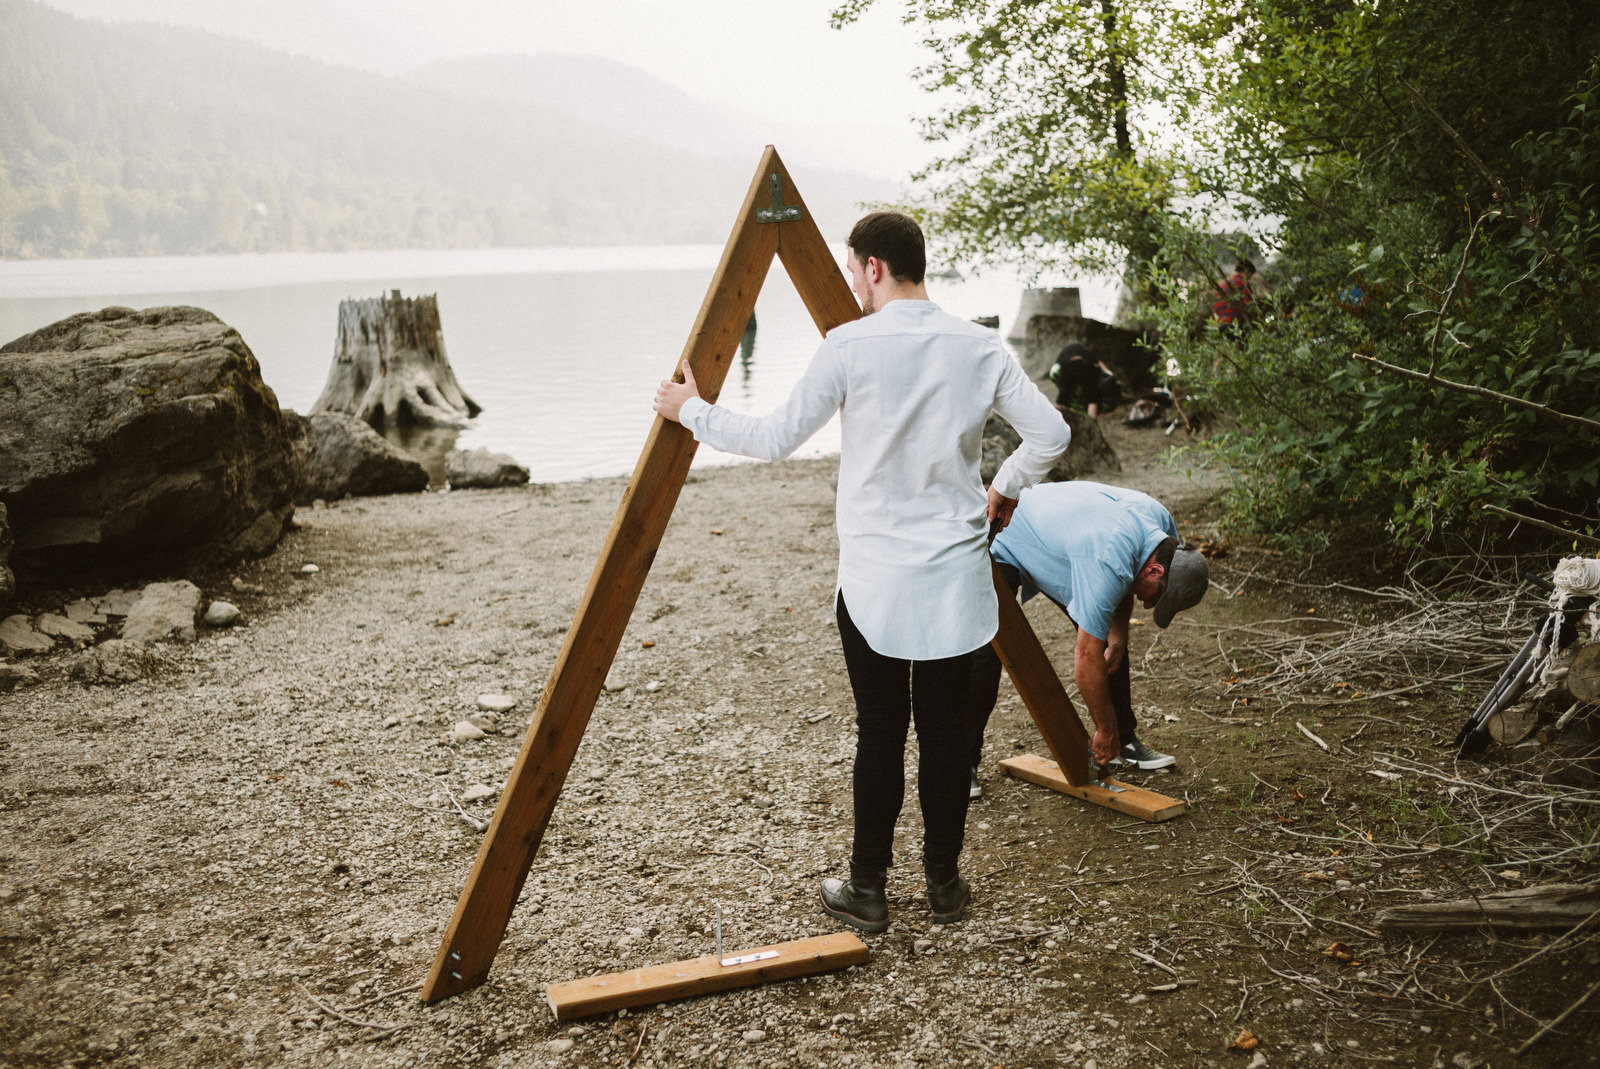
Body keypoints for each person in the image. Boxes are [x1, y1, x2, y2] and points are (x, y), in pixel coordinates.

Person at [653, 211, 1071, 934]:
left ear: (874, 266)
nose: (853, 285)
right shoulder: (978, 346)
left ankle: (868, 889)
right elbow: (1053, 433)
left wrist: (692, 410)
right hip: (956, 581)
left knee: (881, 731)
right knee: (945, 737)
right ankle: (944, 886)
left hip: (876, 581)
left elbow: (776, 438)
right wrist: (999, 488)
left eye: (853, 271)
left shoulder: (848, 346)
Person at [966, 481, 1209, 796]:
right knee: (988, 648)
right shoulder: (1107, 556)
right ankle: (963, 761)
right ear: (1156, 571)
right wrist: (1102, 729)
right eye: (1156, 599)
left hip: (1067, 544)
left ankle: (1123, 742)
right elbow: (1085, 656)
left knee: (1111, 646)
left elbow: (1129, 572)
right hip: (1011, 533)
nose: (1148, 606)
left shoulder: (1162, 529)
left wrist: (1118, 632)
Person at [1048, 341, 1121, 418]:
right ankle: (1092, 421)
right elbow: (1101, 365)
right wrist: (1109, 374)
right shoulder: (1085, 354)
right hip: (1083, 368)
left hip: (1068, 368)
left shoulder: (1065, 355)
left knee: (1063, 395)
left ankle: (1057, 417)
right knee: (1092, 397)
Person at [1211, 257, 1256, 334]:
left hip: (1218, 324)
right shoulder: (1242, 283)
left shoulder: (1223, 284)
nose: (1249, 279)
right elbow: (1249, 306)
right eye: (1249, 276)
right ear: (1246, 271)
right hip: (1233, 323)